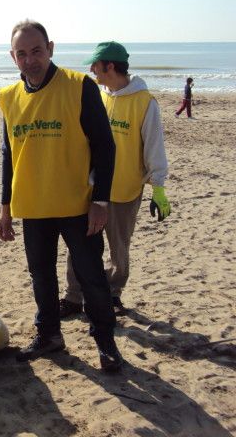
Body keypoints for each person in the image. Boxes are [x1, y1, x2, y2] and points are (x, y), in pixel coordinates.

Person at [0, 20, 123, 372]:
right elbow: (9, 155)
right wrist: (5, 207)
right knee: (41, 275)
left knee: (91, 276)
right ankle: (50, 334)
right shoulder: (9, 98)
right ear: (13, 57)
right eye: (21, 54)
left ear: (50, 48)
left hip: (77, 205)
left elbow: (105, 146)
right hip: (33, 206)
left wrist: (101, 200)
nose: (30, 59)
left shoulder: (78, 85)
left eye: (36, 50)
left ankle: (105, 341)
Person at [59, 41, 171, 319]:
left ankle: (112, 294)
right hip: (92, 188)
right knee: (81, 245)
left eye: (95, 64)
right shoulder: (98, 95)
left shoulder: (145, 102)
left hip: (125, 191)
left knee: (118, 249)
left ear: (110, 66)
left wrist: (159, 187)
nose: (91, 69)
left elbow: (154, 147)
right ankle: (74, 297)